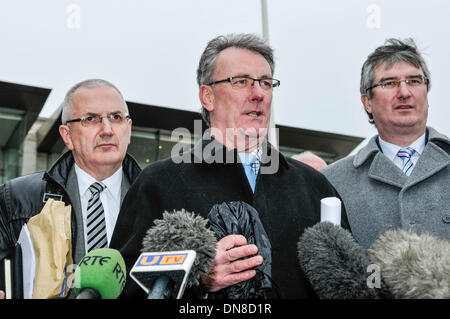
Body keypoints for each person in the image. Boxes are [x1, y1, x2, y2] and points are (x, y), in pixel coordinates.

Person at [110, 33, 349, 299]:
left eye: (266, 83)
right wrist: (196, 278)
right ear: (207, 96)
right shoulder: (158, 183)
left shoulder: (315, 187)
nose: (258, 94)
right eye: (241, 82)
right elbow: (123, 286)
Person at [0, 79, 141, 298]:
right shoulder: (16, 200)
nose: (107, 129)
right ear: (67, 135)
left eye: (116, 117)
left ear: (128, 129)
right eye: (91, 119)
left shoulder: (157, 197)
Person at [322, 38, 450, 248]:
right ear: (367, 102)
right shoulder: (331, 182)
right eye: (389, 83)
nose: (404, 92)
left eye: (414, 81)